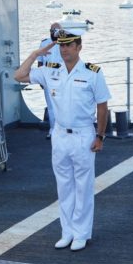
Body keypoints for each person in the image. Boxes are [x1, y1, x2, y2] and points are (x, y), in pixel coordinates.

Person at [14, 23, 110, 251]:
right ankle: (67, 232)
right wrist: (36, 54)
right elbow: (19, 76)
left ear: (79, 47)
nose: (64, 49)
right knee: (64, 186)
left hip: (83, 134)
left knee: (83, 187)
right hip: (59, 135)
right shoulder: (51, 70)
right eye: (61, 45)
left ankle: (81, 233)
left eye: (69, 45)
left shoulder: (92, 73)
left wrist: (100, 136)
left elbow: (102, 107)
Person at [37, 22, 64, 138]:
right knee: (51, 105)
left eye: (57, 31)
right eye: (53, 31)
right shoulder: (44, 44)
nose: (54, 33)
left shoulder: (66, 43)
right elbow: (40, 63)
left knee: (63, 104)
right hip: (48, 79)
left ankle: (63, 129)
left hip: (62, 78)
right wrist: (41, 79)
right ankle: (53, 129)